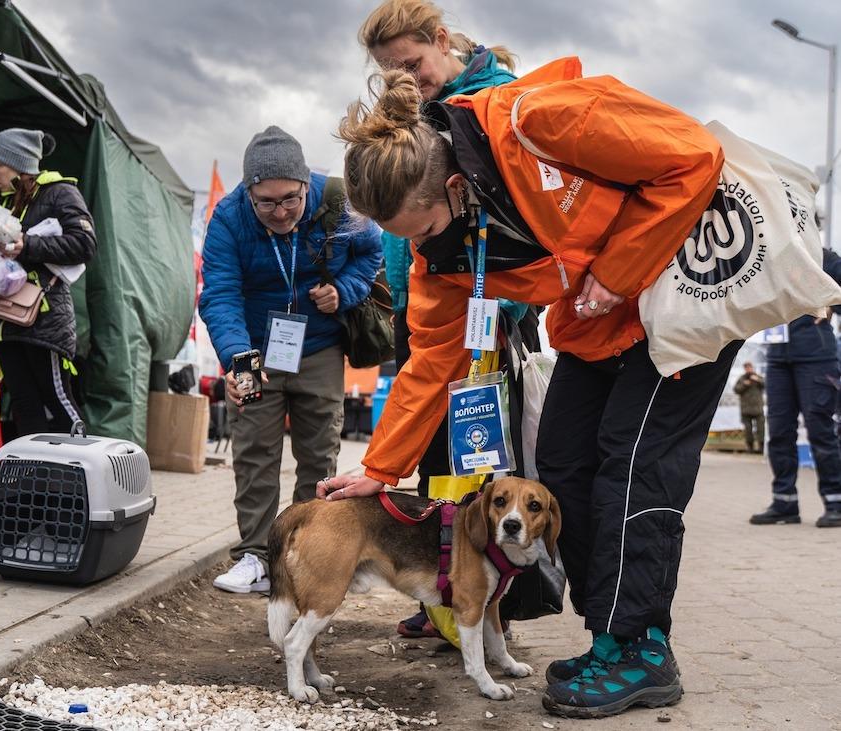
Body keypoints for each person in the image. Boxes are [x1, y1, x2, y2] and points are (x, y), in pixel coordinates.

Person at [319, 63, 742, 718]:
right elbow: (432, 358)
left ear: (455, 187)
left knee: (632, 468)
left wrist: (617, 271)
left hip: (679, 303)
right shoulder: (442, 257)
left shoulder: (538, 120)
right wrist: (380, 468)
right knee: (564, 470)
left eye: (423, 230)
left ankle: (644, 647)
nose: (421, 253)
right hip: (594, 327)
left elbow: (694, 159)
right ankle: (610, 639)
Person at [359, 0, 523, 641]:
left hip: (486, 305)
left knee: (483, 459)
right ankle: (444, 596)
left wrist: (508, 303)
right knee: (433, 458)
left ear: (441, 39)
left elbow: (519, 215)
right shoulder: (410, 112)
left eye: (413, 63)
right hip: (420, 302)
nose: (408, 78)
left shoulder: (496, 98)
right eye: (390, 70)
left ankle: (493, 609)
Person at [199, 126, 383, 594]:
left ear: (306, 185)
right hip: (256, 347)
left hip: (320, 344)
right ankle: (257, 556)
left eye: (290, 200)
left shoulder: (340, 200)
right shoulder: (229, 218)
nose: (280, 212)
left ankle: (306, 553)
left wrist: (345, 291)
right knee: (255, 449)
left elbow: (370, 255)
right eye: (267, 202)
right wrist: (238, 362)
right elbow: (220, 294)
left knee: (318, 451)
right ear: (249, 193)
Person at [0, 128, 96, 437]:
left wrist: (29, 244)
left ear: (20, 164)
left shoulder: (59, 192)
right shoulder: (5, 203)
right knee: (24, 405)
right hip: (6, 321)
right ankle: (32, 480)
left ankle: (84, 477)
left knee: (58, 399)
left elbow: (85, 243)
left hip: (45, 319)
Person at [750, 249, 841, 528]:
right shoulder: (768, 255)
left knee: (821, 432)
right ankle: (784, 503)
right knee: (778, 433)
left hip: (816, 356)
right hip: (777, 357)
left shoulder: (824, 258)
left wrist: (831, 302)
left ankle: (835, 503)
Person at [733, 361, 765, 453]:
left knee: (761, 429)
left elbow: (764, 385)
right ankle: (750, 448)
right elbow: (736, 389)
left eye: (749, 367)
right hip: (746, 409)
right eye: (746, 367)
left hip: (758, 409)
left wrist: (757, 380)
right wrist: (745, 384)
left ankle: (761, 448)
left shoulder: (758, 377)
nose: (748, 369)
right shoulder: (742, 379)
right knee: (748, 430)